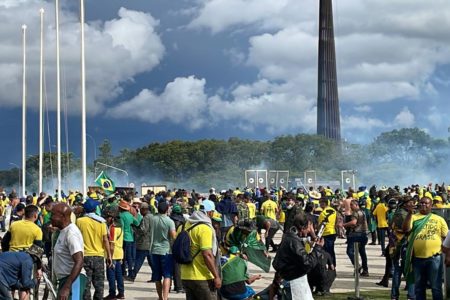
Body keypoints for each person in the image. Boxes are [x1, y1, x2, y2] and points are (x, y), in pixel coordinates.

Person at [403, 196, 448, 300]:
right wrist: (409, 213)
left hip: (435, 258)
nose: (423, 205)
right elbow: (405, 229)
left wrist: (448, 255)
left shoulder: (439, 219)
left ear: (431, 205)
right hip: (417, 258)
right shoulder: (413, 217)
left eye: (426, 203)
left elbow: (447, 239)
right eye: (421, 203)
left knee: (436, 287)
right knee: (419, 287)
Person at [273, 214, 324, 300]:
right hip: (294, 283)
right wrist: (318, 249)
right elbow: (307, 263)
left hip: (291, 280)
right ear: (303, 227)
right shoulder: (293, 241)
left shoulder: (290, 237)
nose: (309, 230)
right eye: (309, 227)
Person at [179, 199, 221, 300]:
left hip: (185, 276)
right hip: (202, 277)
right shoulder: (204, 228)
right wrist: (216, 276)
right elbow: (207, 254)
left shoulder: (184, 226)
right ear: (210, 212)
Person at [76, 199, 112, 300]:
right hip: (99, 257)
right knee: (99, 285)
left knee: (86, 285)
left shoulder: (79, 221)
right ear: (95, 209)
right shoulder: (101, 222)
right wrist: (109, 256)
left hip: (84, 256)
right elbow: (105, 240)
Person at [51, 202, 86, 299]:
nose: (50, 217)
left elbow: (79, 261)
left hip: (73, 281)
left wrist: (67, 287)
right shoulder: (62, 231)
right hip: (65, 280)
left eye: (53, 214)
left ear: (62, 216)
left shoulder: (71, 233)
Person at [388, 196, 415, 300]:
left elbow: (390, 225)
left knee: (398, 272)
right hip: (401, 246)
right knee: (406, 272)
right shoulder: (403, 214)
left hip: (396, 246)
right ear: (405, 204)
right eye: (411, 202)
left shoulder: (397, 212)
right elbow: (407, 230)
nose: (413, 204)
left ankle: (395, 296)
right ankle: (409, 296)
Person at [148, 201, 176, 300]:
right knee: (167, 275)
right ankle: (165, 297)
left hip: (154, 250)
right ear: (167, 209)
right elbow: (173, 236)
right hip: (166, 251)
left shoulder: (152, 219)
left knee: (157, 277)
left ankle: (160, 297)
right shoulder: (169, 221)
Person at [103, 206, 125, 300]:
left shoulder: (112, 228)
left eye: (108, 217)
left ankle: (112, 294)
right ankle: (121, 293)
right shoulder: (120, 226)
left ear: (112, 217)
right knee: (119, 275)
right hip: (120, 253)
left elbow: (111, 245)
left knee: (111, 275)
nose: (106, 219)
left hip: (113, 254)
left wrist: (109, 258)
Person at [343, 200, 369, 277]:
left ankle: (357, 265)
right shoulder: (363, 212)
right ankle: (365, 270)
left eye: (352, 205)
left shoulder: (355, 212)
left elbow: (354, 222)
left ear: (356, 205)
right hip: (364, 234)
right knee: (362, 252)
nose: (350, 206)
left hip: (356, 234)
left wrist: (344, 225)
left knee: (349, 251)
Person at [119, 199, 141, 281]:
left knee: (123, 257)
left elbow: (122, 227)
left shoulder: (121, 216)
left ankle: (123, 272)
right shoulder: (130, 215)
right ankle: (131, 272)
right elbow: (137, 223)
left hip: (124, 238)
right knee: (130, 257)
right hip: (131, 238)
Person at [133, 202, 152, 282]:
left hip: (144, 243)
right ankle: (155, 277)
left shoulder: (146, 218)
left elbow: (143, 230)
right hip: (150, 242)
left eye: (141, 209)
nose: (140, 211)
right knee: (152, 262)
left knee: (138, 260)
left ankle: (132, 275)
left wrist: (135, 228)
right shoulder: (152, 216)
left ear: (144, 209)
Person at [318, 198, 337, 266]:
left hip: (325, 233)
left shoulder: (322, 214)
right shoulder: (334, 211)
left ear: (324, 203)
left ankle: (329, 265)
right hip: (332, 232)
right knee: (331, 250)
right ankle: (333, 265)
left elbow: (320, 225)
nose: (319, 205)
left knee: (325, 251)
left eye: (320, 203)